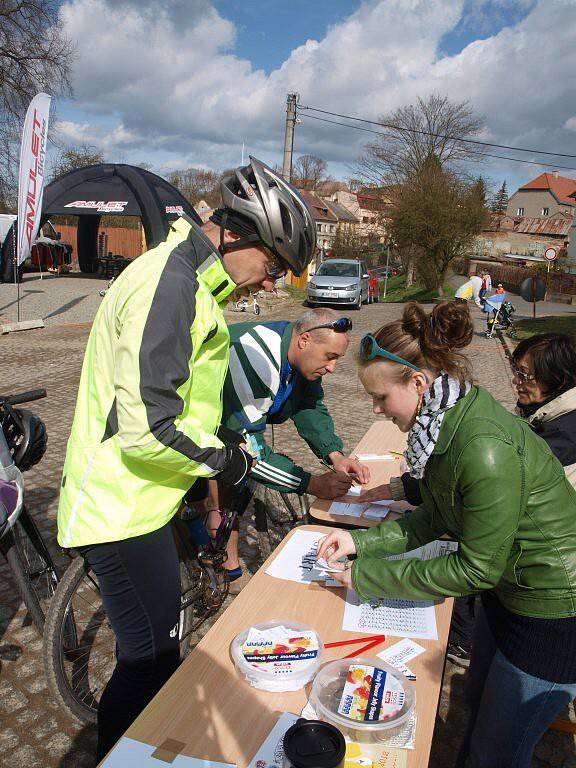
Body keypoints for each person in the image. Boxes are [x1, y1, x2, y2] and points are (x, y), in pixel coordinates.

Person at [57, 157, 317, 760]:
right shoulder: (170, 285)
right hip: (119, 507)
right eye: (274, 264)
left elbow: (183, 402)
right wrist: (223, 464)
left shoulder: (195, 282)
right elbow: (147, 427)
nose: (275, 283)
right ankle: (119, 755)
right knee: (150, 658)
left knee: (159, 650)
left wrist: (201, 473)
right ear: (234, 234)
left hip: (149, 494)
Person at [318, 300, 576, 768]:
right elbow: (436, 517)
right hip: (511, 590)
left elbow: (475, 566)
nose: (377, 410)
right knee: (476, 715)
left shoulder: (480, 447)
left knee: (497, 751)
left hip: (553, 611)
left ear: (417, 383)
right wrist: (361, 542)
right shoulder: (444, 421)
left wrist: (369, 576)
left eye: (380, 398)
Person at [206, 308, 370, 593]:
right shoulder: (257, 359)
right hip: (184, 419)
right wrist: (312, 484)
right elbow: (250, 455)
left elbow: (308, 404)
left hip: (229, 423)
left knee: (233, 486)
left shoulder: (301, 354)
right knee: (220, 488)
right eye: (330, 357)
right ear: (304, 340)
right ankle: (214, 558)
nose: (332, 368)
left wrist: (336, 455)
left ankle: (220, 551)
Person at [513, 333, 576, 487]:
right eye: (516, 371)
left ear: (556, 379)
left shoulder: (560, 435)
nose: (515, 380)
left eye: (524, 374)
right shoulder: (544, 413)